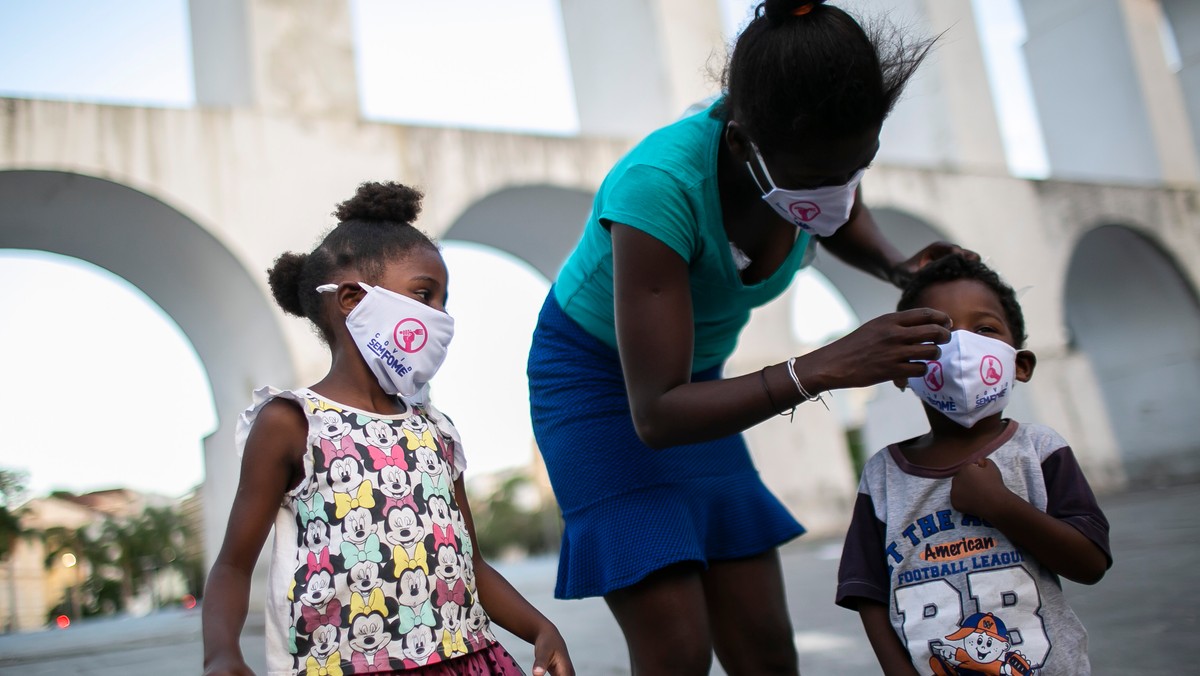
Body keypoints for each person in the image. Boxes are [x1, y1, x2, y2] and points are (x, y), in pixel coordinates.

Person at [526, 1, 973, 673]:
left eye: (856, 165)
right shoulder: (657, 189)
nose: (837, 191)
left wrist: (895, 264)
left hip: (694, 384)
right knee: (678, 649)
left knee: (765, 644)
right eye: (813, 178)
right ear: (741, 145)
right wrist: (824, 366)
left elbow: (837, 204)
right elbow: (658, 415)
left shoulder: (806, 146)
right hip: (603, 387)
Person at [203, 182, 574, 676]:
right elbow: (232, 564)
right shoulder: (292, 421)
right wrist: (221, 653)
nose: (439, 316)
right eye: (424, 294)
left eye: (443, 300)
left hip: (471, 660)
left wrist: (540, 628)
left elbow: (471, 565)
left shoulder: (438, 432)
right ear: (354, 300)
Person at [836, 254, 1112, 675]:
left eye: (984, 329)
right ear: (902, 371)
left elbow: (1090, 564)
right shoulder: (883, 475)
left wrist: (1001, 505)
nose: (962, 348)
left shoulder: (1039, 450)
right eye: (938, 334)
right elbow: (867, 592)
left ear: (1019, 364)